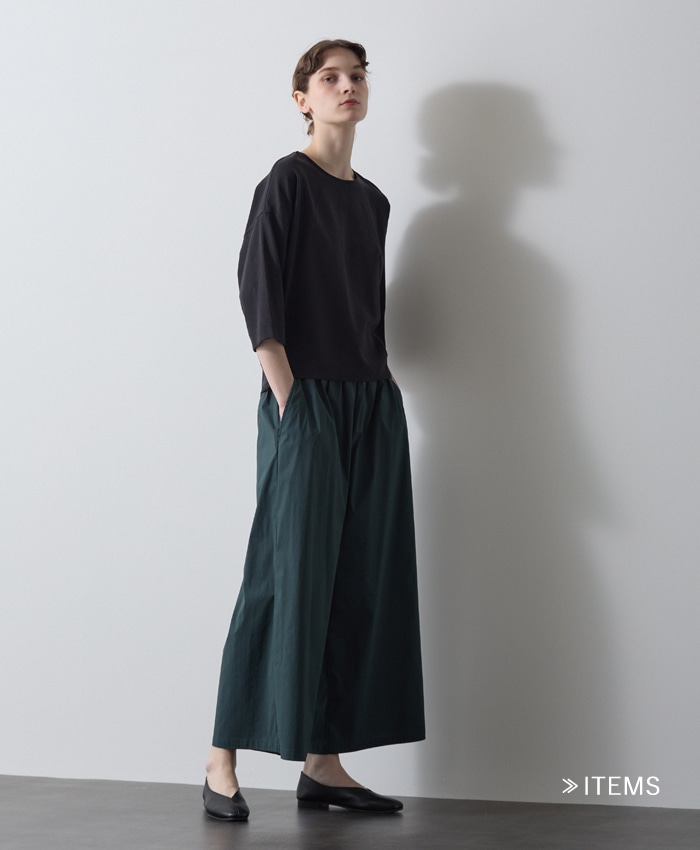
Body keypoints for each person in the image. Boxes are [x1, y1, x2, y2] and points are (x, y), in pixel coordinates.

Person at [202, 38, 425, 821]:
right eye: (329, 77)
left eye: (357, 76)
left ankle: (324, 763)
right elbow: (259, 294)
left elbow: (368, 310)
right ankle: (220, 760)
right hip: (305, 398)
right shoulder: (286, 182)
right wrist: (292, 401)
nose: (346, 86)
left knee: (357, 579)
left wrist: (381, 394)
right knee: (281, 574)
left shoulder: (374, 202)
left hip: (372, 402)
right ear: (303, 98)